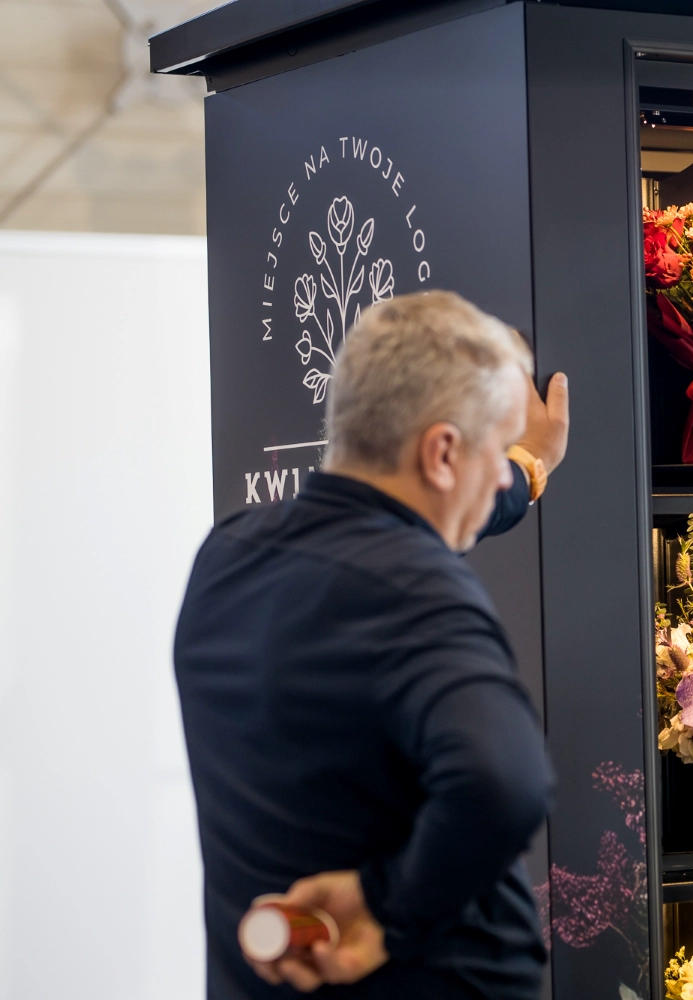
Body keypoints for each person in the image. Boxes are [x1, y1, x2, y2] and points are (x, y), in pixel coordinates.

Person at [175, 291, 570, 999]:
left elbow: (408, 521)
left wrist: (529, 470)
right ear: (442, 452)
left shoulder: (229, 555)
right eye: (495, 454)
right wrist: (387, 906)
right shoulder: (415, 589)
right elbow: (504, 783)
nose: (499, 478)